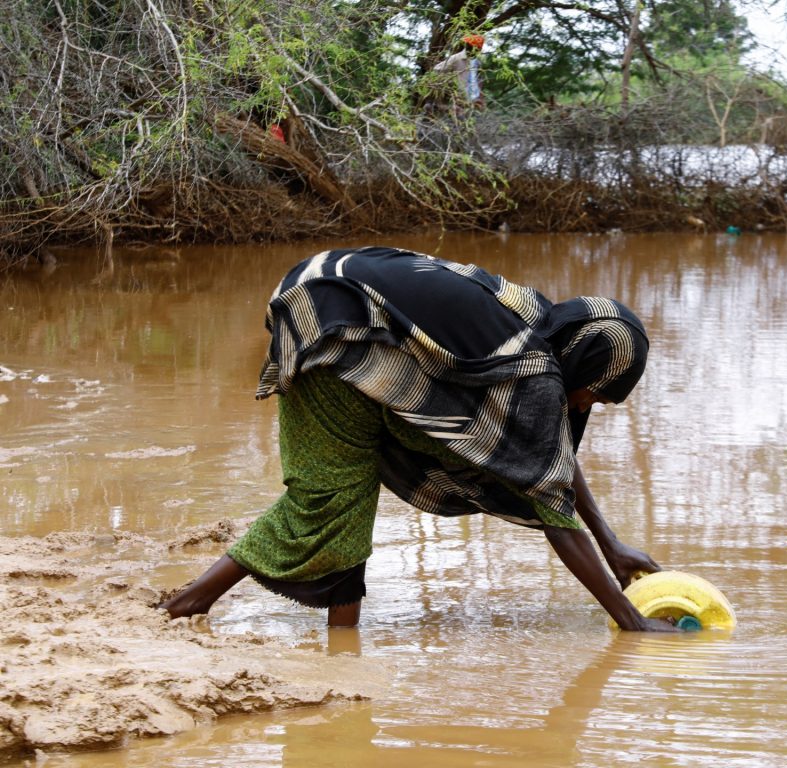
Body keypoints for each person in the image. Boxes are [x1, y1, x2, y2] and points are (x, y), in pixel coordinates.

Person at [159, 246, 682, 632]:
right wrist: (629, 620)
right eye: (595, 392)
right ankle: (189, 605)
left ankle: (343, 643)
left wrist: (610, 543)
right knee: (327, 497)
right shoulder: (534, 370)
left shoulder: (536, 324)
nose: (586, 405)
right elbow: (550, 503)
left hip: (321, 299)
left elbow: (547, 459)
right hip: (337, 327)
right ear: (584, 359)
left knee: (348, 488)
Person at [430, 34, 485, 111]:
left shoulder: (477, 62)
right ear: (467, 46)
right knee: (458, 117)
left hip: (473, 100)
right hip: (458, 99)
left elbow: (479, 79)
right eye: (474, 48)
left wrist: (480, 96)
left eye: (478, 49)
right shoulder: (456, 58)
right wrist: (449, 83)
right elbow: (437, 70)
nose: (476, 51)